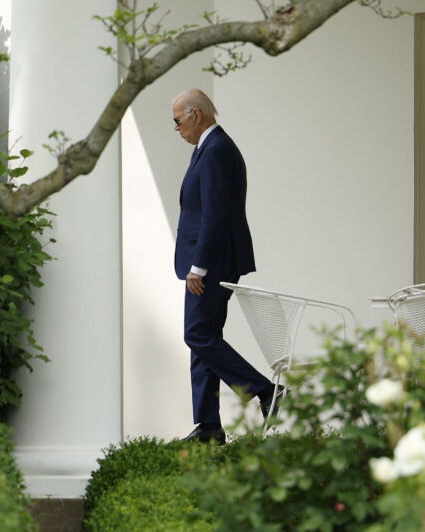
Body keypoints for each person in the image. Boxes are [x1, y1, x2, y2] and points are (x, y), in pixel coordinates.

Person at [171, 89, 280, 444]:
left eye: (177, 120)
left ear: (196, 114)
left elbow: (215, 215)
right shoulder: (208, 148)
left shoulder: (216, 149)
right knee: (205, 338)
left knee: (197, 334)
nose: (176, 128)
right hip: (212, 261)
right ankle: (209, 427)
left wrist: (198, 267)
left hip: (211, 263)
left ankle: (265, 391)